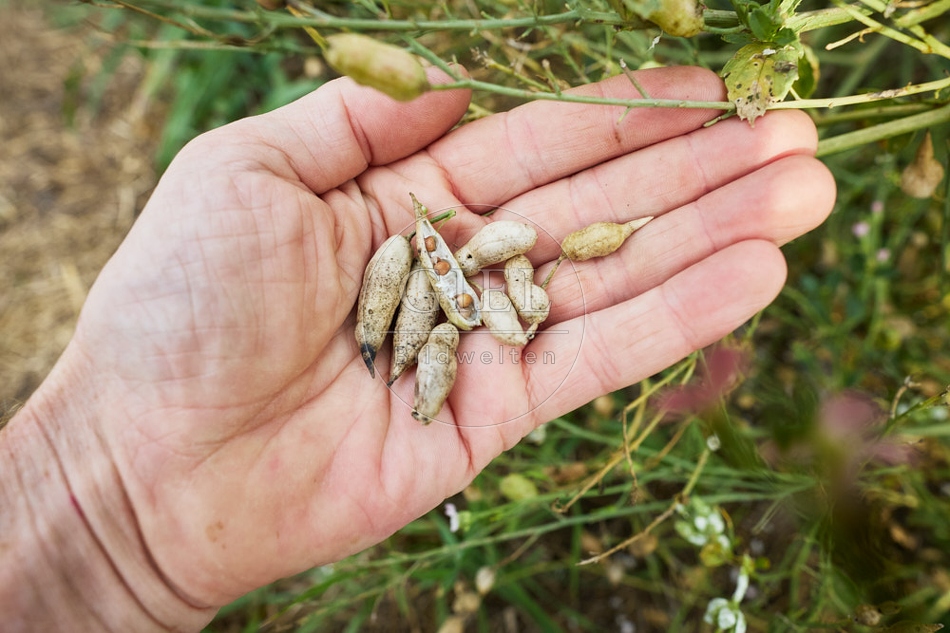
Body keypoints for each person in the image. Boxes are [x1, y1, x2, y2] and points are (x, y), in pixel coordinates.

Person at [0, 63, 835, 631]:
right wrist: (110, 514)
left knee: (471, 298)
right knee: (451, 301)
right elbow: (456, 286)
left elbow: (485, 286)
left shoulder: (467, 285)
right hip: (438, 298)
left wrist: (110, 516)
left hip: (460, 294)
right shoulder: (423, 277)